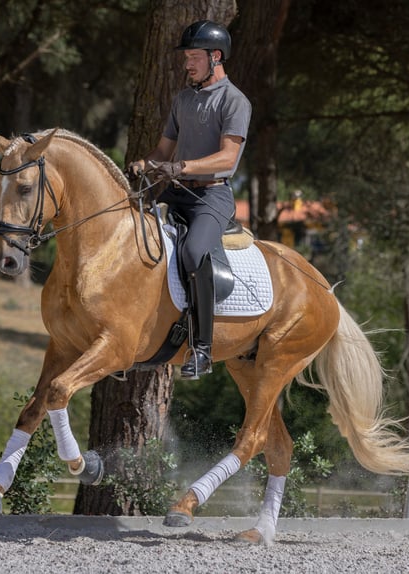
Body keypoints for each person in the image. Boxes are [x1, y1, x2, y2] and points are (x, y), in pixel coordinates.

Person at [129, 20, 252, 379]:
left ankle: (201, 349)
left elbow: (227, 158)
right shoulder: (183, 99)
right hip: (175, 193)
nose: (187, 64)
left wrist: (181, 166)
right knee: (135, 238)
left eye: (194, 57)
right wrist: (145, 163)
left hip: (211, 197)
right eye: (186, 58)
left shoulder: (235, 101)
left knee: (192, 253)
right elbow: (162, 150)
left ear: (216, 57)